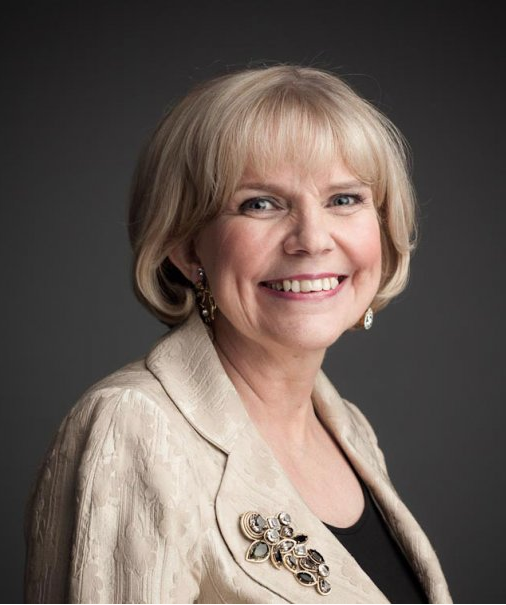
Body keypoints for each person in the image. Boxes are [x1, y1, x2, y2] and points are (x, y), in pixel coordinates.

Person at [24, 65, 451, 604]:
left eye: (344, 199)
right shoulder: (135, 428)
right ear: (187, 247)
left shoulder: (347, 428)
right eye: (260, 203)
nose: (312, 239)